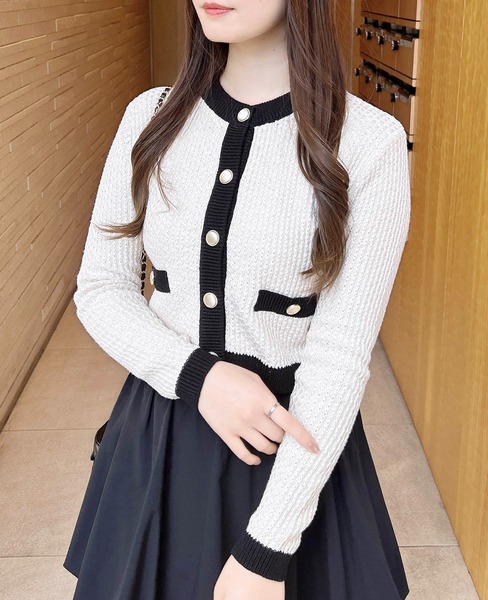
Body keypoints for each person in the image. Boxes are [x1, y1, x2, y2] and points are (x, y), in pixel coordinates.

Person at [63, 0, 412, 598]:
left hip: (292, 450)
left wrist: (266, 550)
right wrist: (199, 377)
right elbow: (101, 286)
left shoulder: (368, 141)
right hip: (161, 435)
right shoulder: (150, 116)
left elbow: (340, 356)